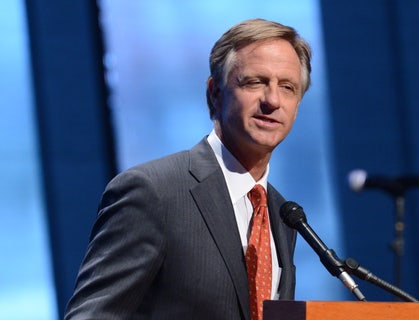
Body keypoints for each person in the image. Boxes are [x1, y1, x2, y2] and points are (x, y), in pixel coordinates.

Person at [64, 18, 312, 319]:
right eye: (255, 82)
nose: (272, 100)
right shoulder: (153, 192)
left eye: (287, 87)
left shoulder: (284, 215)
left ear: (298, 105)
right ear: (215, 93)